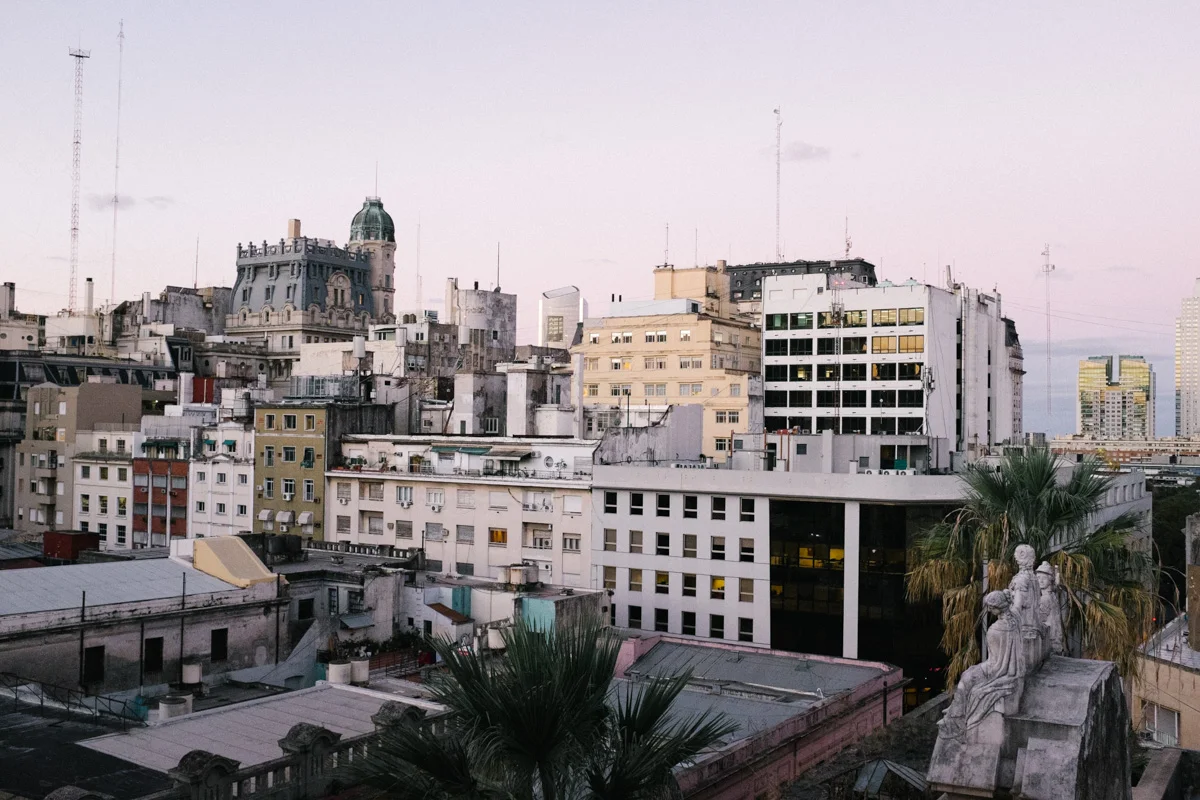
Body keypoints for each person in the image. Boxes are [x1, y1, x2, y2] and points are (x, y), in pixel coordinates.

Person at [938, 590, 1025, 738]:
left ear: (999, 607)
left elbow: (995, 662)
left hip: (997, 670)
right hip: (1011, 668)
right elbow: (1018, 603)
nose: (989, 610)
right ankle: (955, 710)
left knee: (967, 678)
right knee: (969, 672)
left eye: (991, 607)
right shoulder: (1015, 619)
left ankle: (956, 717)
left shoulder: (994, 630)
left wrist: (978, 670)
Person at [1037, 561, 1066, 656]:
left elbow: (1040, 619)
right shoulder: (1052, 595)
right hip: (1055, 638)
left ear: (1050, 580)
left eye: (1044, 578)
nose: (1040, 581)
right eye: (1038, 578)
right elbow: (1056, 587)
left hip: (1050, 639)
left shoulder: (1045, 599)